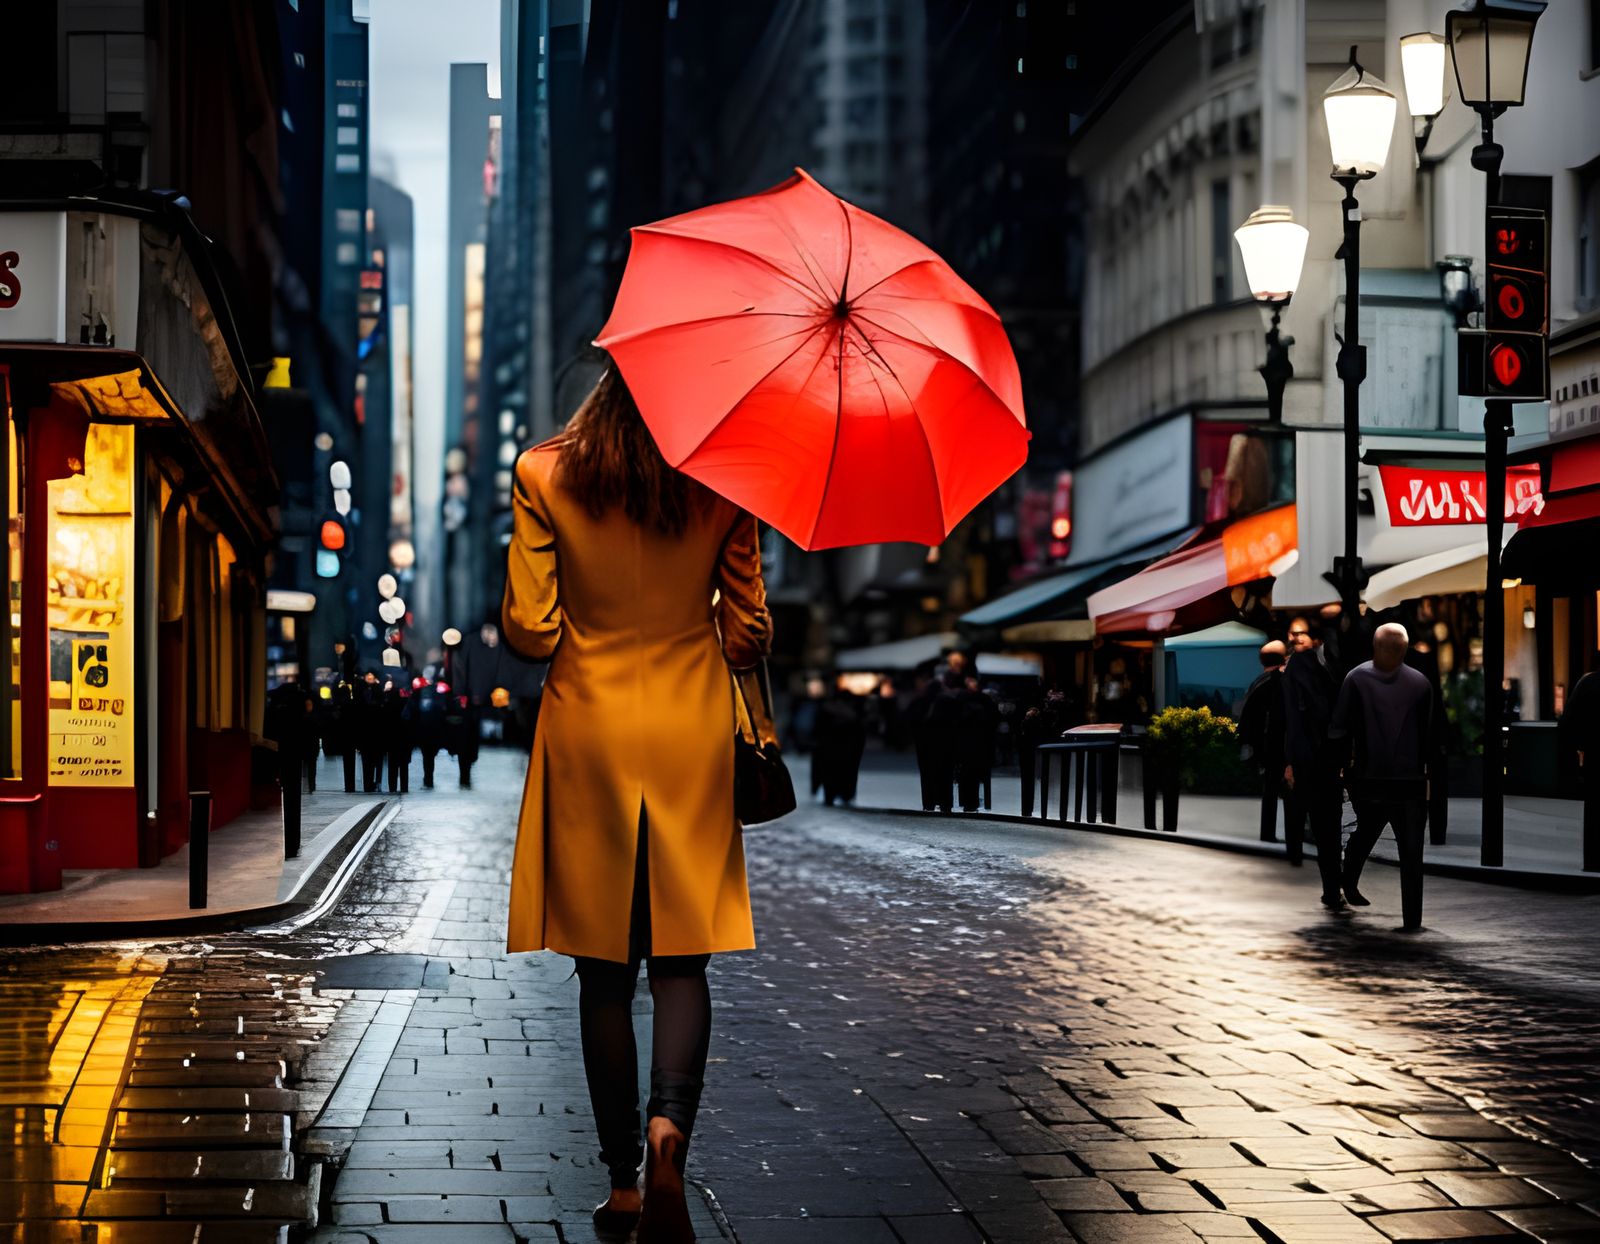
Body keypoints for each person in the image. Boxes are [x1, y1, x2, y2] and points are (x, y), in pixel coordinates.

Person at [501, 365, 771, 1243]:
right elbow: (743, 635)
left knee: (604, 970)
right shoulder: (727, 482)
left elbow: (530, 631)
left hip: (591, 726)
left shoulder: (544, 472)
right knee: (683, 962)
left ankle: (623, 1182)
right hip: (691, 726)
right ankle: (669, 1135)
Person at [1331, 623, 1434, 931]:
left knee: (1366, 832)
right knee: (1412, 852)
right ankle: (1412, 917)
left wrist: (1340, 767)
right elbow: (1430, 735)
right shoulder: (1420, 683)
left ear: (1375, 647)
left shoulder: (1356, 678)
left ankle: (1348, 882)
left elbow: (1339, 727)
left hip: (1368, 777)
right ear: (1405, 649)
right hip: (1410, 781)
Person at [1281, 616, 1346, 909]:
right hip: (1331, 756)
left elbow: (1294, 719)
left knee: (1323, 826)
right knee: (1329, 825)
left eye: (1301, 634)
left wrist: (1291, 761)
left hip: (1311, 757)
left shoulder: (1299, 666)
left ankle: (1333, 888)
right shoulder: (1331, 666)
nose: (1296, 639)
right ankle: (1336, 886)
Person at [1237, 640, 1288, 850]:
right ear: (1284, 658)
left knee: (1270, 791)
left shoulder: (1258, 683)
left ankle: (1267, 833)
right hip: (1283, 745)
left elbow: (1246, 719)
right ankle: (1295, 834)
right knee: (1290, 793)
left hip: (1265, 747)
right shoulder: (1284, 681)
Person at [906, 669, 960, 812]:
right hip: (946, 744)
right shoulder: (949, 701)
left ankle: (928, 803)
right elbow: (957, 723)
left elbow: (910, 720)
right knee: (946, 774)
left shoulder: (919, 701)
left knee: (927, 775)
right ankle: (945, 803)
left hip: (925, 745)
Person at [1563, 666, 1600, 872]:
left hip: (1594, 755)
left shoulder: (1587, 683)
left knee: (1594, 808)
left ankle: (1593, 861)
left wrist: (1581, 746)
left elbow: (1568, 723)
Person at [954, 677, 1000, 812]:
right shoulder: (984, 701)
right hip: (979, 744)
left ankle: (968, 802)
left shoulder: (962, 700)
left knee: (967, 774)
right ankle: (973, 802)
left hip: (968, 744)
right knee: (974, 774)